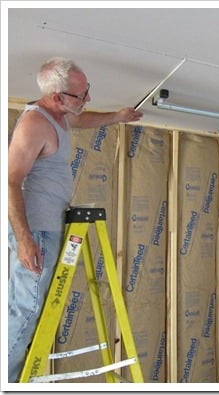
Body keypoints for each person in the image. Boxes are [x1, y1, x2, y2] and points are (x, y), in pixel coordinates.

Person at [7, 57, 143, 382]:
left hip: (47, 228)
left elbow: (81, 120)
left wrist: (117, 117)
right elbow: (10, 181)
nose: (87, 100)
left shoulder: (59, 117)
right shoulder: (34, 124)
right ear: (57, 97)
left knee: (29, 311)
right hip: (37, 231)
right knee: (25, 312)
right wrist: (25, 239)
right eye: (81, 96)